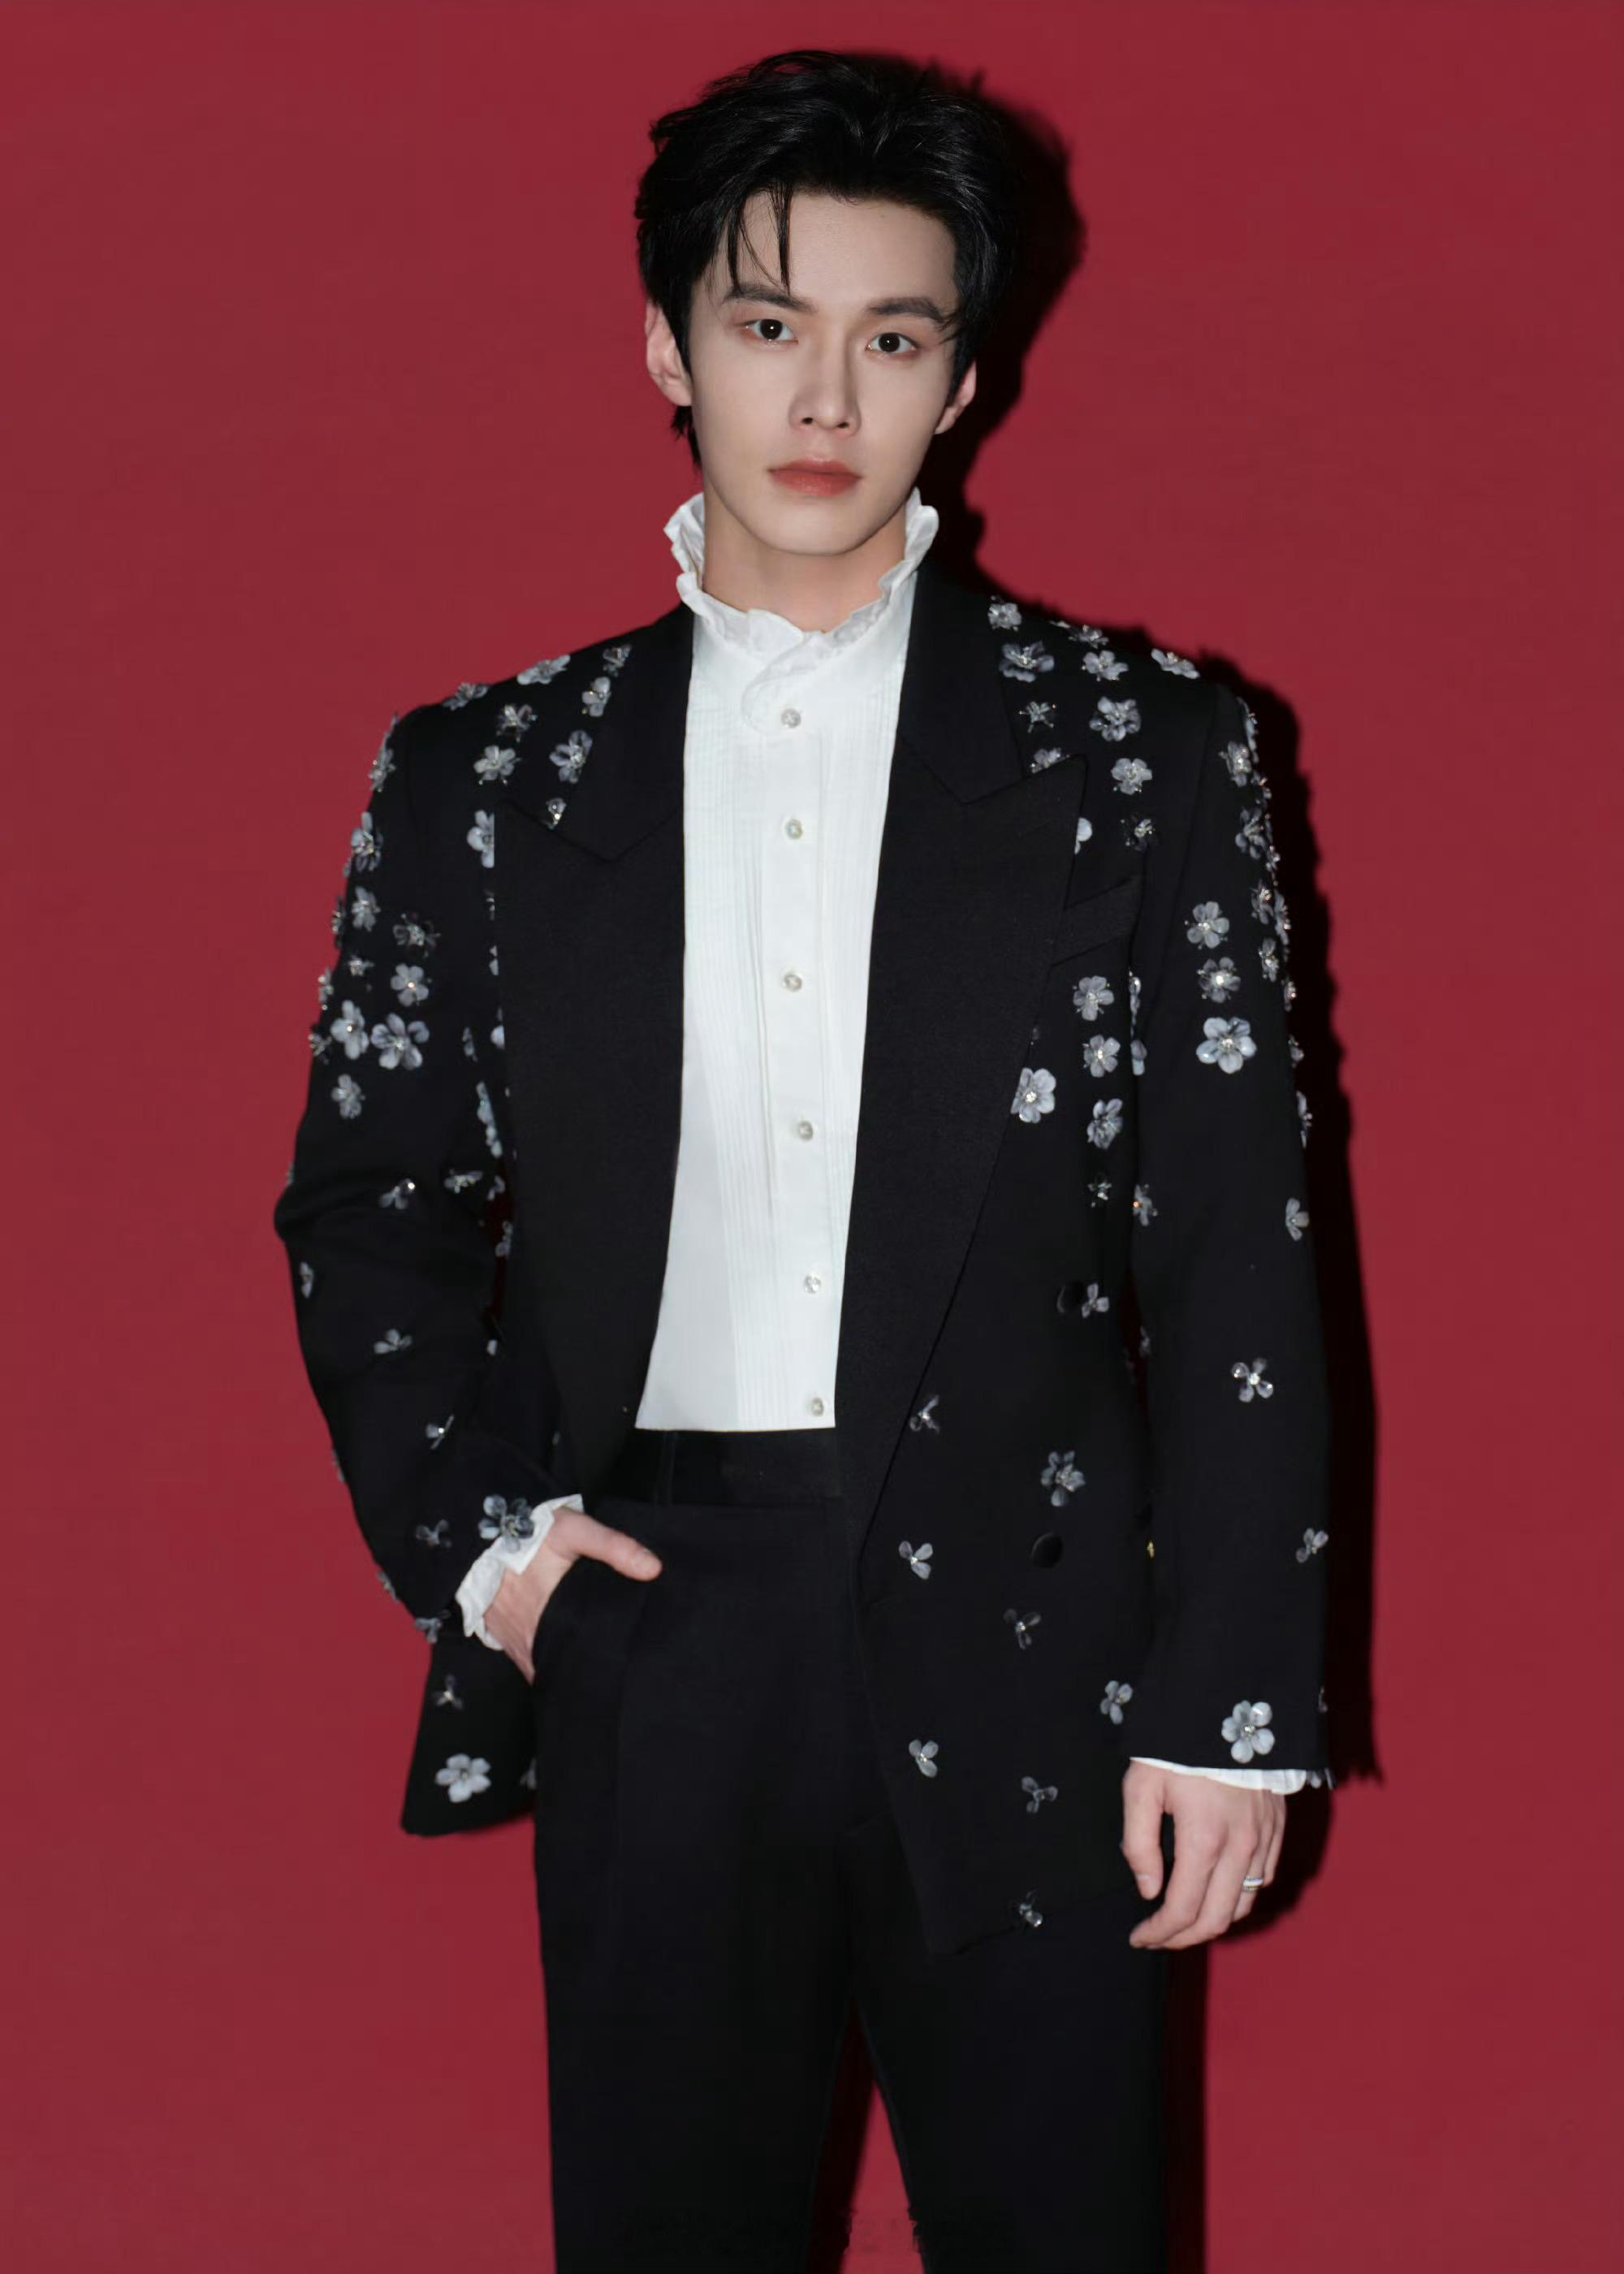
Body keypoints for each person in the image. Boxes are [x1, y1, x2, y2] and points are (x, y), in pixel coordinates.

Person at [272, 46, 1332, 2274]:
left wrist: (1234, 1709)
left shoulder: (1144, 756)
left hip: (1041, 1631)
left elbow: (1242, 1247)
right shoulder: (485, 779)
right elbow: (372, 1206)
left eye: (895, 335)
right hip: (656, 1617)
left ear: (966, 377)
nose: (827, 396)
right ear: (669, 346)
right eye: (769, 325)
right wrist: (497, 1561)